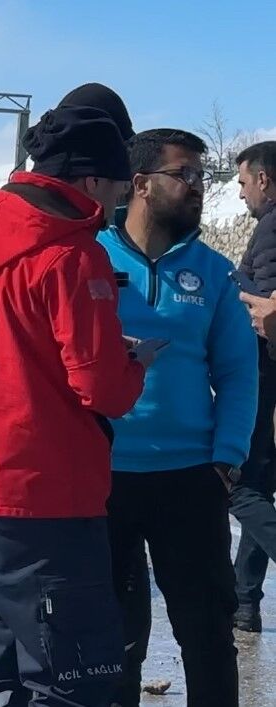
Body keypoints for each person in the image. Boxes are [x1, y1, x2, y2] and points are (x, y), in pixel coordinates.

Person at [0, 102, 151, 706]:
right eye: (113, 187)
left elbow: (7, 348)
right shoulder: (73, 255)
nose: (114, 205)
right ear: (89, 181)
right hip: (45, 498)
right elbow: (102, 389)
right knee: (74, 679)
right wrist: (134, 364)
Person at [98, 129, 257, 706]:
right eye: (185, 175)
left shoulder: (213, 273)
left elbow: (239, 372)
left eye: (203, 178)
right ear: (140, 184)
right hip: (104, 477)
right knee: (116, 639)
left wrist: (227, 459)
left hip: (192, 478)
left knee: (207, 634)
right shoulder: (88, 258)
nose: (199, 189)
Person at [231, 141, 276, 632]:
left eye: (244, 182)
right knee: (259, 485)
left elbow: (266, 308)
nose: (241, 193)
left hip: (265, 373)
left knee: (240, 489)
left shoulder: (273, 227)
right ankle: (244, 602)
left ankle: (243, 601)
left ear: (264, 179)